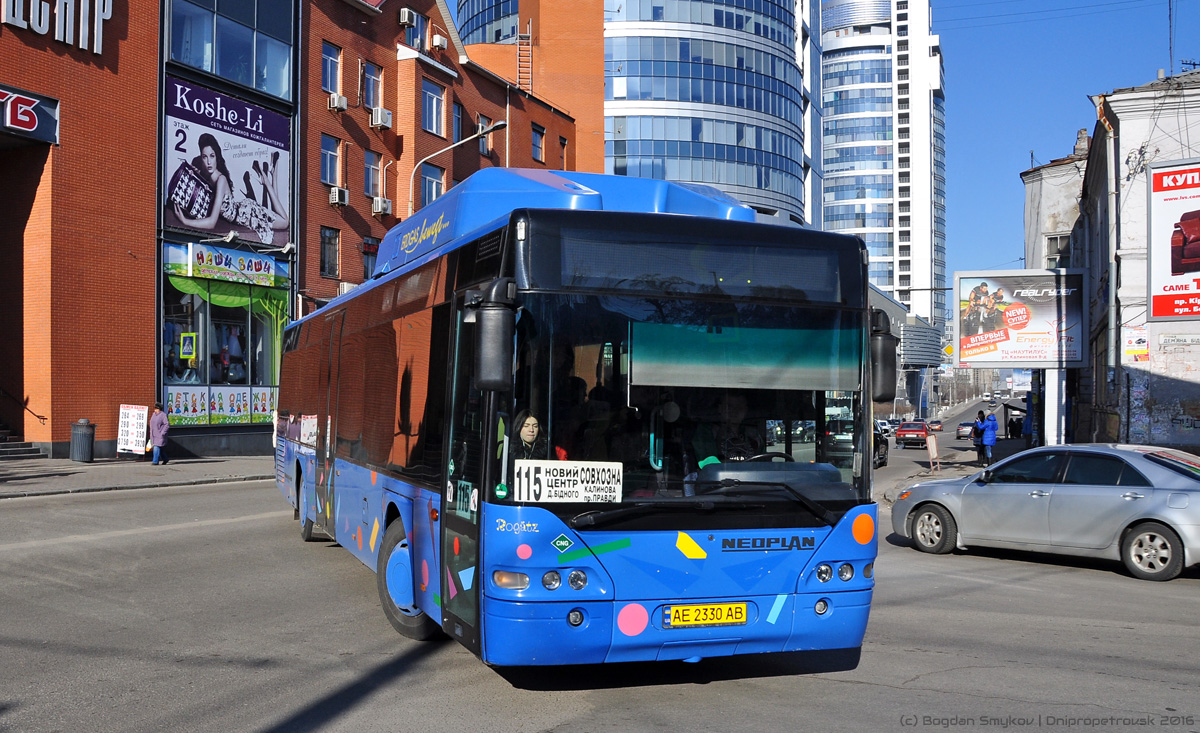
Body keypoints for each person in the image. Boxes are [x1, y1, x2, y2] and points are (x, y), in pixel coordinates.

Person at [172, 133, 288, 245]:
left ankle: (266, 180)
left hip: (249, 214)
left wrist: (185, 221)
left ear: (217, 156)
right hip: (243, 210)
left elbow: (212, 222)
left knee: (285, 222)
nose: (208, 162)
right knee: (276, 214)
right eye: (204, 157)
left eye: (212, 156)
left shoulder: (221, 180)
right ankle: (272, 173)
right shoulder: (209, 176)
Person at [691, 392, 764, 468]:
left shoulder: (754, 434)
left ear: (746, 410)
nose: (735, 411)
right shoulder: (707, 431)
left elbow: (767, 461)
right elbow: (708, 465)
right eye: (729, 406)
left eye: (740, 406)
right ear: (720, 408)